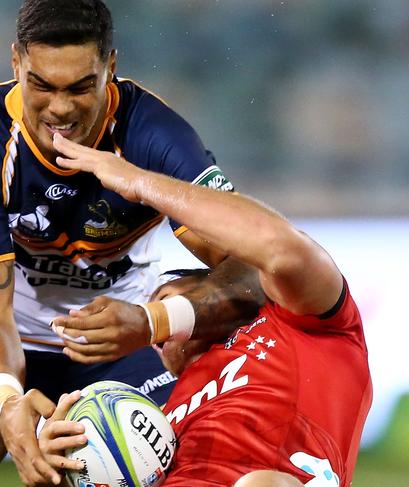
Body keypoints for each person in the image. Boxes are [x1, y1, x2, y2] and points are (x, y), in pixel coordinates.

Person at [0, 1, 265, 486]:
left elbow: (253, 268)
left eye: (80, 87)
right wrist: (7, 404)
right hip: (3, 338)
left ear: (110, 68)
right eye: (42, 85)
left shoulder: (155, 136)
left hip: (122, 342)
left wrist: (152, 321)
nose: (60, 108)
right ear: (16, 64)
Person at [44, 133, 372, 486]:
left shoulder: (300, 321)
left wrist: (138, 182)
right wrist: (60, 469)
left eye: (164, 296)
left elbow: (280, 247)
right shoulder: (161, 423)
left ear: (209, 282)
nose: (155, 340)